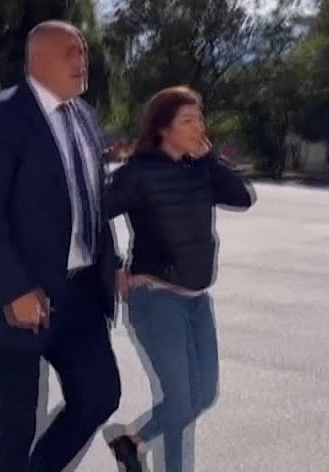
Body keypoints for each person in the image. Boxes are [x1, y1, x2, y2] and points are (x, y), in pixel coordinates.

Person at [0, 20, 124, 472]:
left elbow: (91, 200)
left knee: (99, 394)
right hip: (19, 295)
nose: (81, 59)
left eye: (82, 51)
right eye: (70, 51)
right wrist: (14, 289)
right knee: (17, 424)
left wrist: (113, 263)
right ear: (37, 61)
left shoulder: (85, 116)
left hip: (80, 292)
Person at [102, 85, 256, 472]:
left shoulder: (200, 168)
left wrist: (210, 159)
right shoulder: (137, 173)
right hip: (156, 299)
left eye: (199, 119)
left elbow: (242, 197)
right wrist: (114, 265)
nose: (198, 127)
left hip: (197, 299)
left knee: (203, 395)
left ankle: (131, 441)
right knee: (181, 402)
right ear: (163, 127)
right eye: (187, 120)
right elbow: (90, 215)